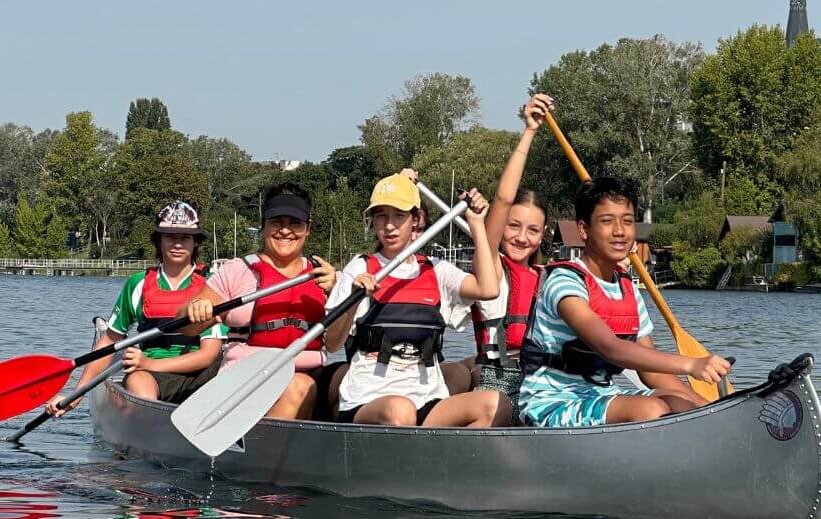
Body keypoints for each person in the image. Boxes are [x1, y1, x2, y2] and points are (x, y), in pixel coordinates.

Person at [518, 177, 730, 428]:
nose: (619, 231)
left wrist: (708, 409)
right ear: (584, 229)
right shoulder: (565, 281)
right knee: (651, 409)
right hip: (549, 402)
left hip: (602, 395)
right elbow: (611, 349)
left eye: (627, 221)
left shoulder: (627, 288)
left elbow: (651, 370)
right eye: (607, 221)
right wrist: (691, 364)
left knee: (681, 403)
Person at [323, 174, 510, 427]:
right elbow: (332, 343)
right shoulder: (359, 268)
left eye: (398, 216)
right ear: (373, 221)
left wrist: (476, 224)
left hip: (426, 400)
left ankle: (442, 453)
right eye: (381, 216)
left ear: (415, 220)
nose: (389, 226)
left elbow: (487, 289)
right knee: (401, 410)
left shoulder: (436, 270)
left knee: (495, 404)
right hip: (368, 400)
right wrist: (353, 302)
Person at [45, 201, 225, 414]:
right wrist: (77, 394)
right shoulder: (137, 284)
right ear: (159, 241)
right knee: (139, 383)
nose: (178, 244)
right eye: (170, 237)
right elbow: (110, 340)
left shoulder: (212, 285)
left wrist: (148, 363)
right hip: (149, 376)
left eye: (185, 237)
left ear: (195, 243)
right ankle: (147, 417)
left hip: (199, 374)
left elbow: (208, 355)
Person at [183, 182, 338, 421]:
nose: (285, 231)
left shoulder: (325, 277)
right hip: (248, 377)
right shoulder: (237, 270)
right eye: (276, 222)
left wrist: (338, 292)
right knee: (298, 385)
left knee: (348, 377)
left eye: (295, 223)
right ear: (263, 225)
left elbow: (336, 344)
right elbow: (187, 327)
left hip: (310, 373)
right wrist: (195, 309)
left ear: (308, 229)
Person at [468, 93, 553, 417]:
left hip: (544, 382)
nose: (521, 237)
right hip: (499, 381)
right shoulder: (490, 265)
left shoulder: (549, 278)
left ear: (543, 235)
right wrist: (530, 130)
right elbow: (503, 198)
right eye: (513, 226)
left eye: (532, 230)